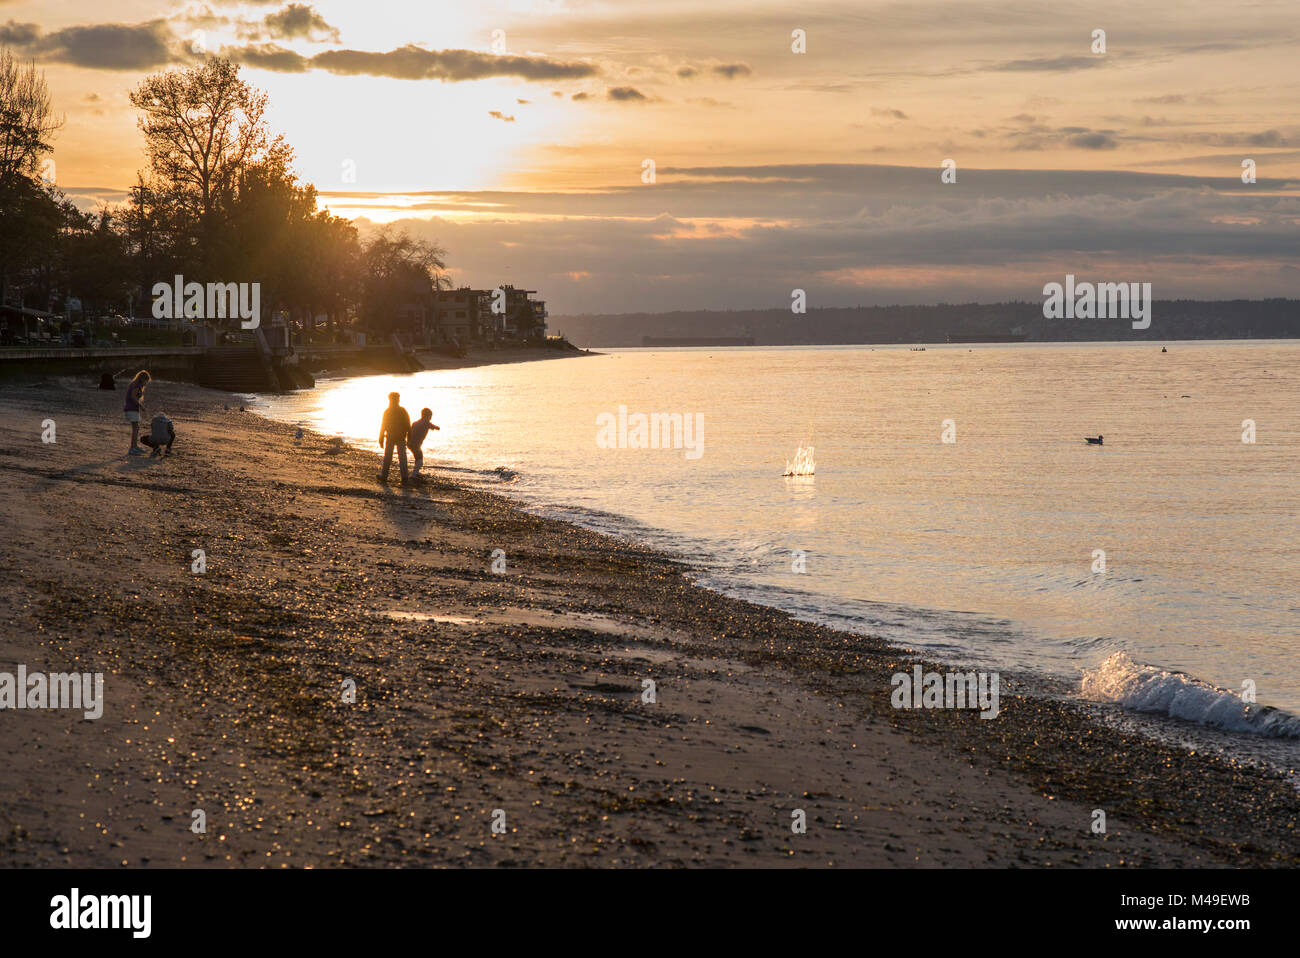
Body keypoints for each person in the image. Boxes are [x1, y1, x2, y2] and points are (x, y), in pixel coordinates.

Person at [377, 392, 411, 484]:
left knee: (388, 457)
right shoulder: (401, 411)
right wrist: (409, 438)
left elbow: (383, 426)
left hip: (392, 437)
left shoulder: (388, 411)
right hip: (398, 437)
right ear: (398, 400)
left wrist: (380, 438)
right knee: (402, 458)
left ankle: (384, 476)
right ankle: (404, 477)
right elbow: (408, 425)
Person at [406, 407, 440, 476]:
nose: (431, 418)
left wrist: (408, 441)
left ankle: (416, 472)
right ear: (426, 416)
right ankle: (414, 474)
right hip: (416, 444)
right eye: (430, 416)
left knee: (418, 458)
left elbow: (409, 432)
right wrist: (437, 427)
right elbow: (435, 427)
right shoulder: (426, 423)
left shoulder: (415, 423)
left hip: (410, 443)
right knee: (420, 460)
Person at [124, 370, 151, 455]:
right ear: (143, 379)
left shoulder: (135, 384)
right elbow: (133, 397)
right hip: (131, 408)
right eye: (146, 381)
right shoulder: (137, 386)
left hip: (132, 409)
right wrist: (141, 406)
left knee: (136, 428)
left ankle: (134, 447)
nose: (146, 383)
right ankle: (132, 448)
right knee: (135, 429)